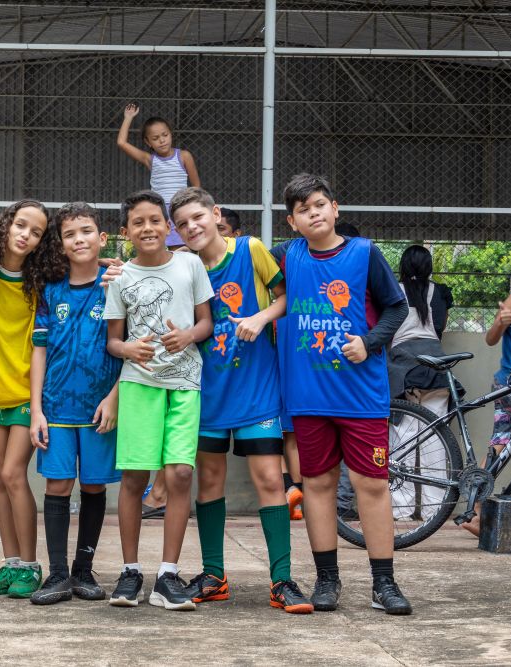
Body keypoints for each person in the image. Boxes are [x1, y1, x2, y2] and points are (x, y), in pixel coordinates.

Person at [275, 173, 411, 615]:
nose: (313, 212)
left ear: (335, 208)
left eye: (319, 204)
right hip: (308, 396)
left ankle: (383, 583)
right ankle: (327, 580)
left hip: (360, 396)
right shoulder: (286, 257)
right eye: (302, 209)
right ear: (292, 222)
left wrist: (369, 342)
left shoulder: (364, 252)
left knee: (371, 484)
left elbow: (397, 306)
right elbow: (223, 258)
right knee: (317, 484)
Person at [170, 186, 311, 613]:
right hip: (207, 391)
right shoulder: (183, 267)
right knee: (208, 481)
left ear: (215, 214)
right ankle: (214, 575)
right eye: (182, 224)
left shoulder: (250, 250)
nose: (192, 227)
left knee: (270, 480)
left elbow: (288, 297)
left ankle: (282, 581)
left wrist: (260, 316)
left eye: (197, 217)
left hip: (257, 389)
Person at [103, 190, 213, 611]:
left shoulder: (189, 263)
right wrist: (128, 349)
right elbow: (114, 340)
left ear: (168, 226)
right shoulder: (121, 276)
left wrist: (187, 335)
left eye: (155, 220)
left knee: (181, 474)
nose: (147, 228)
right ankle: (130, 571)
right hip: (139, 384)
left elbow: (206, 322)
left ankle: (167, 575)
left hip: (185, 384)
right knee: (134, 477)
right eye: (138, 222)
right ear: (126, 231)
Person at [28, 202, 121, 606]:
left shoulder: (117, 281)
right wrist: (36, 409)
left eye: (86, 231)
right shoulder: (51, 289)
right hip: (58, 406)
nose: (78, 239)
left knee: (94, 485)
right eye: (70, 234)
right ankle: (58, 574)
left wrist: (114, 397)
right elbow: (39, 351)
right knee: (59, 485)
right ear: (61, 244)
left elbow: (126, 347)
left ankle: (84, 570)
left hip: (101, 407)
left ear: (101, 238)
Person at [0, 200, 56, 600]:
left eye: (36, 231)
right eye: (20, 225)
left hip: (29, 391)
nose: (25, 234)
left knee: (13, 474)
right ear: (6, 226)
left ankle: (30, 564)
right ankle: (10, 564)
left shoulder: (43, 280)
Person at [387, 245, 454, 521]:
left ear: (402, 266)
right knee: (435, 441)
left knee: (402, 439)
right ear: (429, 267)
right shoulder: (440, 292)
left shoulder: (392, 291)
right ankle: (433, 511)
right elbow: (438, 330)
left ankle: (400, 510)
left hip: (403, 369)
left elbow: (387, 330)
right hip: (436, 369)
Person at [461, 285, 511, 536]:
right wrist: (502, 323)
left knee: (499, 445)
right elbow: (491, 339)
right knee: (499, 446)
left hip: (507, 385)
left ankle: (475, 514)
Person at [116, 104, 201, 249]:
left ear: (171, 134)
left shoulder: (184, 156)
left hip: (180, 207)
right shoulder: (150, 159)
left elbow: (196, 186)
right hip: (159, 209)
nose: (162, 140)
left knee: (180, 249)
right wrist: (128, 118)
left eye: (165, 135)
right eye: (155, 138)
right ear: (148, 142)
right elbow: (121, 143)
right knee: (159, 247)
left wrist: (193, 208)